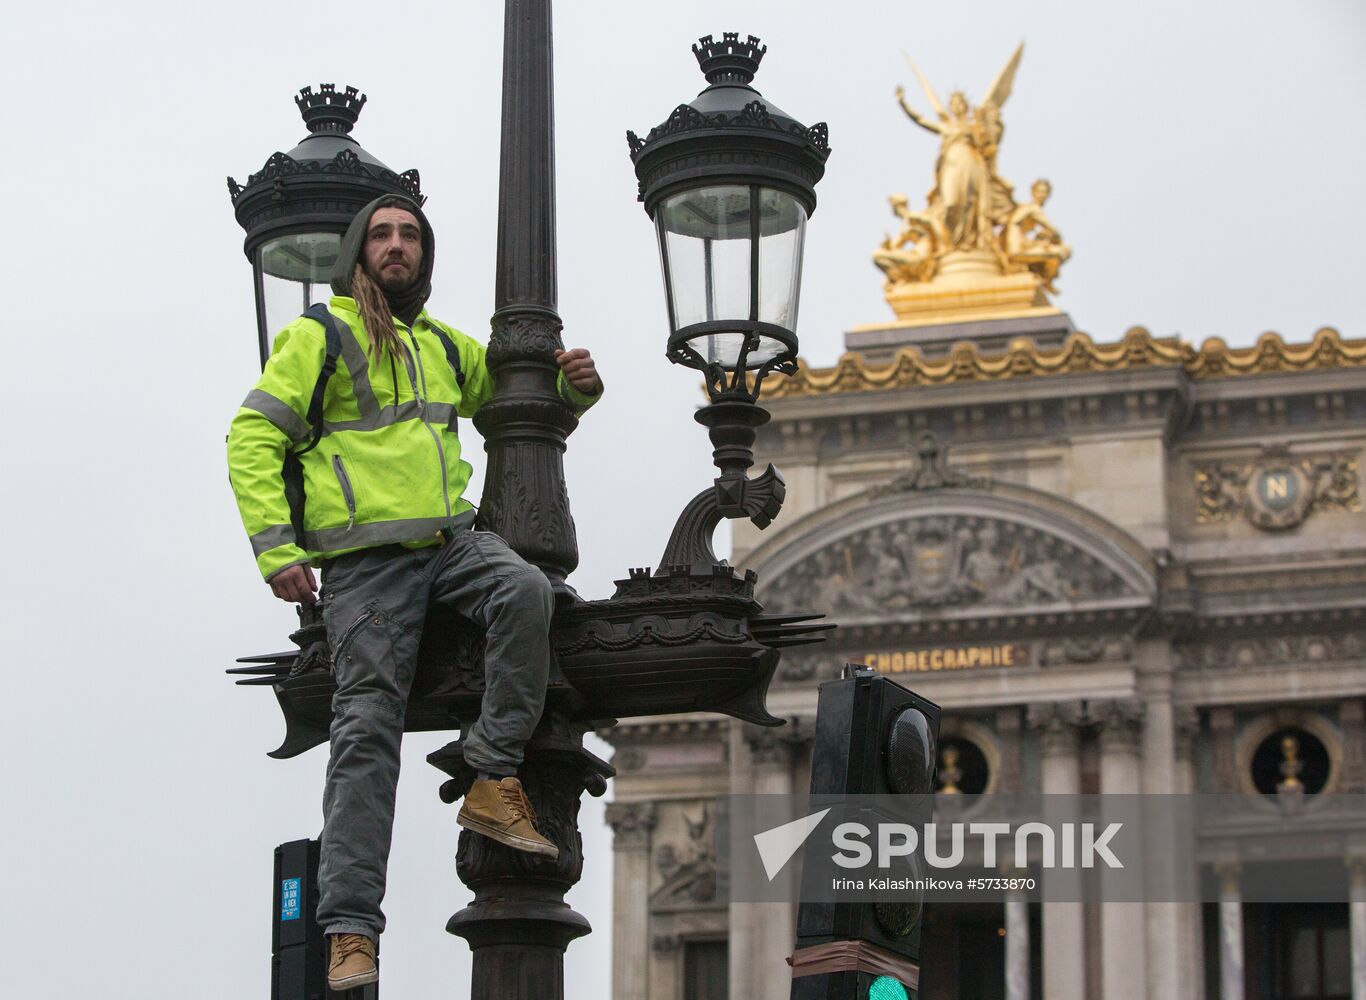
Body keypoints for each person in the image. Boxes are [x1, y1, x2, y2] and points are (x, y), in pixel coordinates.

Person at [226, 193, 602, 991]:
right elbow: (252, 435)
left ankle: (490, 774)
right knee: (365, 732)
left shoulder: (441, 345)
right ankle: (351, 928)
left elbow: (513, 407)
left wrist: (573, 391)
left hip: (450, 542)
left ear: (424, 254)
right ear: (359, 253)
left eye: (411, 236)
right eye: (383, 235)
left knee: (527, 594)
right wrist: (276, 548)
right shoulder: (318, 336)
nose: (397, 247)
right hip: (364, 563)